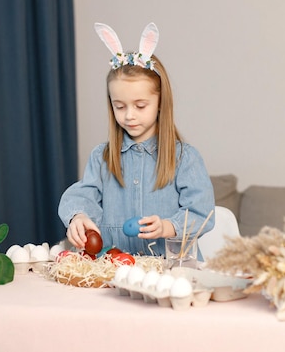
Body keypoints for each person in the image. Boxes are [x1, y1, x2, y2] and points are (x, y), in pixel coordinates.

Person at [58, 22, 215, 257]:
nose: (129, 115)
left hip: (170, 273)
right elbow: (81, 195)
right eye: (119, 106)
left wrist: (167, 226)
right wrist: (78, 216)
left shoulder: (184, 158)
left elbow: (202, 213)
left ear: (161, 102)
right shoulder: (102, 157)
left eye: (140, 105)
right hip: (116, 273)